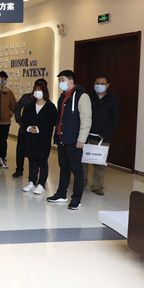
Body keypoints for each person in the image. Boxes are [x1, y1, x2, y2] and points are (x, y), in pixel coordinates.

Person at [47, 70, 92, 210]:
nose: (60, 83)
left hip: (74, 140)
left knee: (77, 170)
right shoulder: (63, 96)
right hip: (62, 138)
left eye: (63, 80)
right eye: (60, 80)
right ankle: (61, 194)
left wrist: (81, 139)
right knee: (64, 168)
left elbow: (86, 120)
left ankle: (76, 199)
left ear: (71, 81)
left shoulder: (82, 96)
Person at [83, 76, 120, 195]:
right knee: (82, 161)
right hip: (87, 135)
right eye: (97, 83)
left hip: (103, 137)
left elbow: (115, 119)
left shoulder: (113, 100)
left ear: (108, 85)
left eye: (102, 83)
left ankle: (97, 186)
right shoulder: (88, 97)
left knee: (100, 162)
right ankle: (81, 182)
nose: (99, 85)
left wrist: (105, 134)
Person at [21, 80, 58, 195]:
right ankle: (31, 181)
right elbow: (24, 120)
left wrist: (39, 129)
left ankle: (41, 184)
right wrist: (28, 128)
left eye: (40, 90)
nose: (37, 92)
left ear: (44, 91)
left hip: (43, 138)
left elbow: (53, 121)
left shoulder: (50, 107)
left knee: (42, 160)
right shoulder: (30, 106)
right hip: (31, 138)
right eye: (36, 89)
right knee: (32, 160)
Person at [13, 78, 48, 178]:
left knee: (34, 153)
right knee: (20, 150)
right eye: (37, 88)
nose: (38, 91)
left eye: (41, 88)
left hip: (37, 132)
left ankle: (33, 174)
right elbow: (17, 108)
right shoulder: (26, 97)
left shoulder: (46, 101)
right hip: (24, 130)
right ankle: (19, 170)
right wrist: (20, 122)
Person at [0, 71, 16, 170]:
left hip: (5, 122)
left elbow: (14, 104)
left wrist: (10, 113)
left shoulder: (8, 92)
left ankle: (2, 157)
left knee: (3, 140)